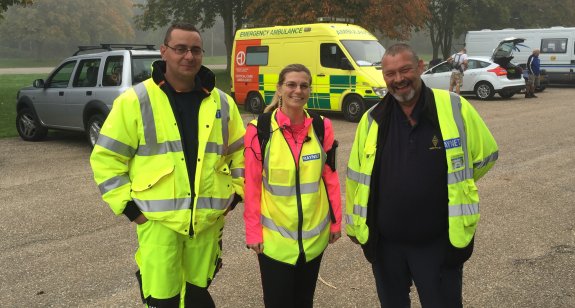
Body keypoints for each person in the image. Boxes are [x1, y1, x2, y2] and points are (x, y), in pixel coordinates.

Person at [90, 23, 245, 307]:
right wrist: (130, 209)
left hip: (206, 224)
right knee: (162, 299)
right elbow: (106, 159)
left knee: (198, 295)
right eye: (180, 49)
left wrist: (236, 193)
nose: (189, 56)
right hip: (157, 224)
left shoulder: (222, 102)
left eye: (195, 50)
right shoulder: (135, 101)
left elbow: (240, 154)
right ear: (164, 52)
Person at [346, 43, 498, 307]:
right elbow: (357, 178)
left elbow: (485, 157)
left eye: (405, 70)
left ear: (420, 67)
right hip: (386, 246)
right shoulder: (372, 119)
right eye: (390, 74)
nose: (398, 79)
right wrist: (355, 228)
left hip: (437, 244)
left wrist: (459, 183)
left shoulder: (455, 108)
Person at [243, 64, 342, 308]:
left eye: (304, 85)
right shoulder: (260, 129)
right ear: (279, 89)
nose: (297, 90)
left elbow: (330, 178)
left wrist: (336, 221)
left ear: (309, 90)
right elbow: (252, 186)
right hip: (275, 241)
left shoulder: (321, 126)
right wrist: (253, 231)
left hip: (313, 238)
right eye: (291, 85)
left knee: (304, 302)